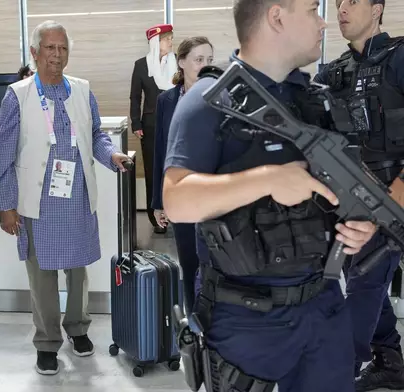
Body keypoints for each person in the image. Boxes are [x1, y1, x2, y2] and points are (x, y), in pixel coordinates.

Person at [163, 0, 378, 390]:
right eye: (313, 10)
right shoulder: (210, 100)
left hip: (322, 302)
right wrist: (267, 179)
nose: (324, 22)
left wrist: (357, 224)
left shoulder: (316, 101)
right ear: (277, 16)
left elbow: (339, 191)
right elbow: (176, 200)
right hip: (243, 314)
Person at [0, 20, 131, 376]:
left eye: (63, 48)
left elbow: (97, 134)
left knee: (78, 270)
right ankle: (47, 342)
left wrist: (111, 155)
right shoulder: (18, 95)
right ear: (35, 53)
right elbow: (3, 154)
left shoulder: (82, 90)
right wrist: (5, 205)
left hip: (77, 196)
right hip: (38, 200)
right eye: (50, 48)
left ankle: (78, 328)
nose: (56, 55)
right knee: (42, 276)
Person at [313, 1, 404, 390]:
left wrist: (389, 204)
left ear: (378, 8)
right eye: (338, 4)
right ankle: (390, 361)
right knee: (364, 276)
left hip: (394, 196)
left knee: (365, 281)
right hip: (354, 199)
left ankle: (338, 376)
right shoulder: (333, 73)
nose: (342, 9)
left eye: (352, 1)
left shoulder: (400, 58)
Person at [151, 36, 214, 313]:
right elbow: (160, 151)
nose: (205, 65)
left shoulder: (218, 96)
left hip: (215, 194)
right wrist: (157, 201)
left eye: (209, 60)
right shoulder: (167, 100)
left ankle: (218, 326)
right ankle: (194, 325)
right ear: (182, 62)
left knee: (216, 263)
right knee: (189, 262)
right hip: (181, 194)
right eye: (199, 59)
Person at [130, 23, 176, 234]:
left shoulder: (176, 65)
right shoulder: (141, 65)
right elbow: (135, 97)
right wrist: (136, 123)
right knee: (152, 170)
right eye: (167, 39)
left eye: (171, 39)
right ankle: (156, 217)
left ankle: (175, 213)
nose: (170, 43)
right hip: (149, 125)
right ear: (156, 42)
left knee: (173, 169)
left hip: (175, 123)